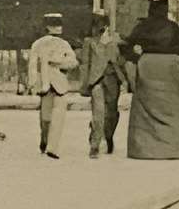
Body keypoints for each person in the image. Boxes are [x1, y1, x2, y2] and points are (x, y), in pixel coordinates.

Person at [120, 0, 179, 161]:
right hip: (168, 68)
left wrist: (139, 56)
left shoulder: (142, 26)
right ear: (165, 9)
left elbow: (126, 47)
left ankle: (144, 150)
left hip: (147, 65)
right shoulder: (172, 27)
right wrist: (171, 50)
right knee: (172, 107)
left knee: (145, 107)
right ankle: (174, 148)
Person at [28, 12, 78, 159]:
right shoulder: (38, 44)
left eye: (59, 24)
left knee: (58, 116)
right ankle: (45, 140)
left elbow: (73, 62)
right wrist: (33, 83)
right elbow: (32, 65)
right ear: (47, 27)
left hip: (59, 83)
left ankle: (52, 147)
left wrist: (59, 63)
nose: (59, 27)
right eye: (55, 24)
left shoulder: (64, 44)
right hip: (46, 83)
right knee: (46, 118)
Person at [76, 12, 124, 157]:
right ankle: (95, 145)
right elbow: (85, 64)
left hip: (112, 80)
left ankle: (108, 135)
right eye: (97, 25)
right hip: (96, 80)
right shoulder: (89, 42)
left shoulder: (114, 40)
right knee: (99, 113)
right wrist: (84, 85)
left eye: (102, 25)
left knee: (112, 114)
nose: (99, 29)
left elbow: (120, 61)